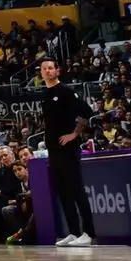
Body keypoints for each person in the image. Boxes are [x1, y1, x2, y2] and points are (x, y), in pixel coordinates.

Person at [40, 58, 96, 246]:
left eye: (51, 68)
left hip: (67, 149)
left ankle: (88, 233)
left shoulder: (65, 91)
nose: (48, 71)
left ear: (58, 71)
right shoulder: (45, 94)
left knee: (76, 190)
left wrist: (74, 134)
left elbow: (86, 112)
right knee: (63, 192)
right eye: (44, 69)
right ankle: (73, 231)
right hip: (53, 150)